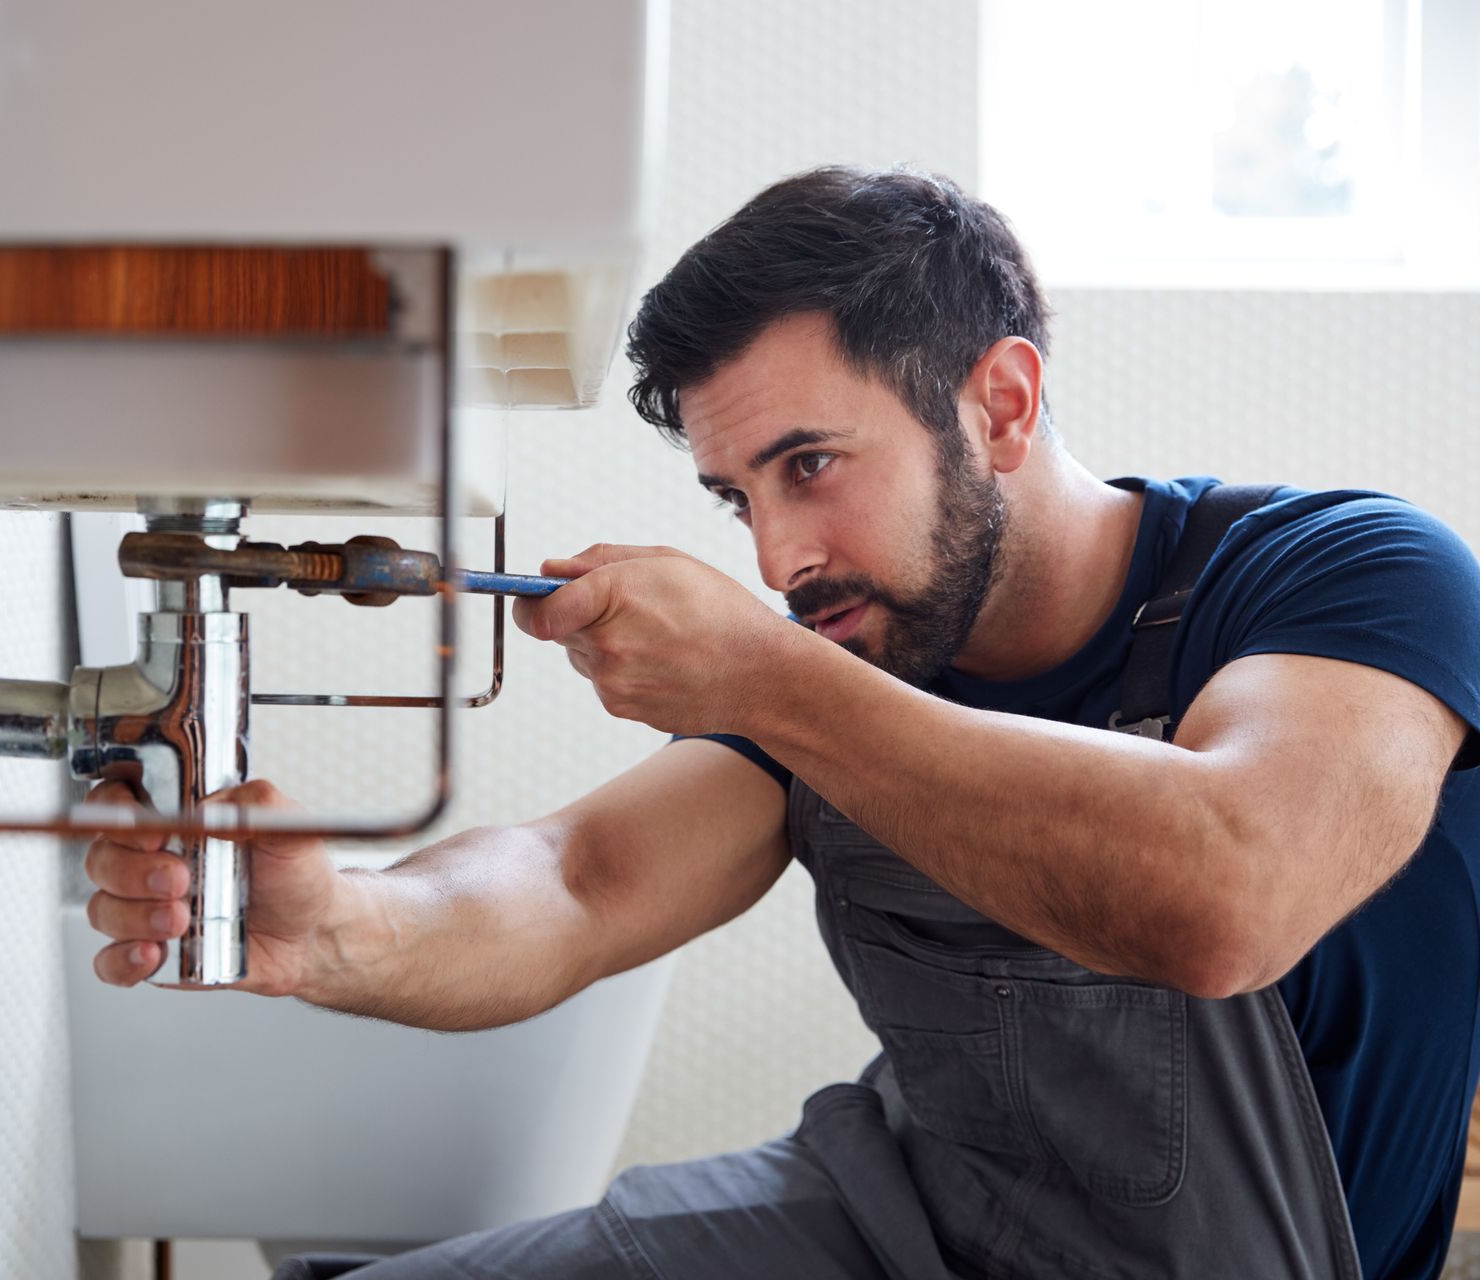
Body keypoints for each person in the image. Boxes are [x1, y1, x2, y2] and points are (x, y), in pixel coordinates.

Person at [82, 167, 1480, 1279]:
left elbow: (1227, 892)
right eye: (739, 497)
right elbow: (578, 881)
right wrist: (340, 924)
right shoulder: (851, 645)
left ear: (1000, 401)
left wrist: (768, 679)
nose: (779, 558)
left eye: (811, 465)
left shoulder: (1352, 578)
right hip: (883, 1218)